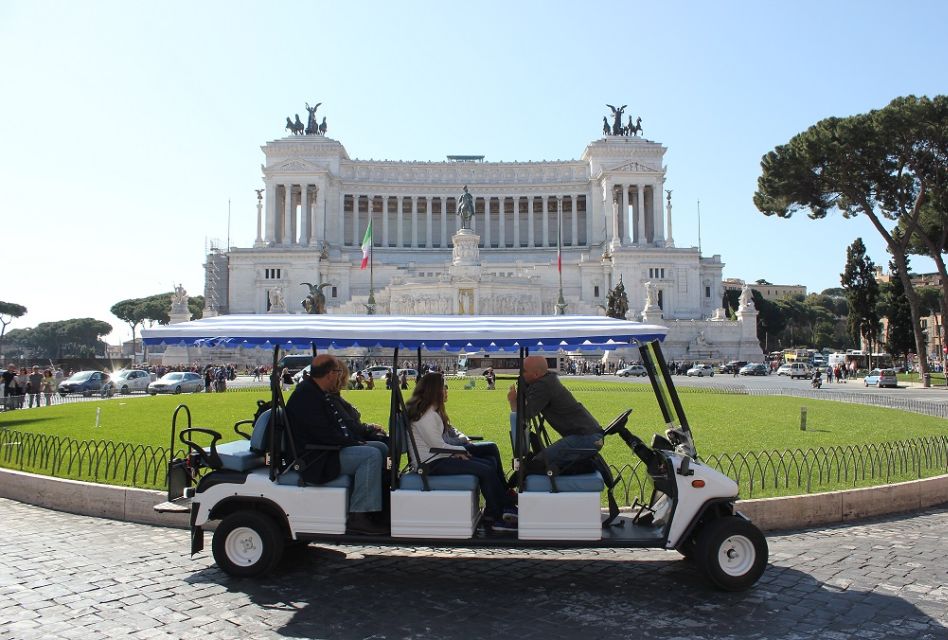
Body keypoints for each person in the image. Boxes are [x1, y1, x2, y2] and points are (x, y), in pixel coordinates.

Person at [285, 355, 388, 535]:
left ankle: (379, 505)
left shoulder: (315, 392)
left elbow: (335, 427)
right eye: (338, 371)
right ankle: (359, 515)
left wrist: (354, 439)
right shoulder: (307, 396)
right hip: (316, 457)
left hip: (326, 449)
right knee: (370, 455)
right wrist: (353, 441)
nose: (339, 376)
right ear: (330, 374)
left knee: (380, 448)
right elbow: (323, 433)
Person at [406, 373, 516, 530]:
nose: (446, 391)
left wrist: (458, 450)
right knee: (485, 468)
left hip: (438, 457)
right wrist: (460, 450)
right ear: (435, 390)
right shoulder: (426, 416)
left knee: (488, 464)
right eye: (444, 387)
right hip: (431, 463)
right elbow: (436, 445)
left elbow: (439, 444)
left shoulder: (431, 412)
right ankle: (498, 515)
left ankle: (499, 508)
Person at [507, 355, 604, 473]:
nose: (521, 374)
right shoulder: (548, 380)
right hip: (589, 436)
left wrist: (513, 400)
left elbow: (525, 414)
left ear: (536, 374)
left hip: (586, 438)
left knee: (537, 463)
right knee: (538, 462)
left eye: (524, 371)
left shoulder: (543, 385)